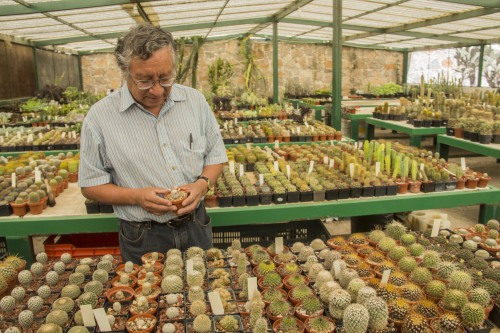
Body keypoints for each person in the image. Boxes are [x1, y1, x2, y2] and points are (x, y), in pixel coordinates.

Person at [78, 23, 228, 265]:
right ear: (125, 72)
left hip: (196, 225)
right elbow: (90, 184)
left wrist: (201, 185)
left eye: (165, 78)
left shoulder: (195, 102)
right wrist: (136, 197)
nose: (158, 90)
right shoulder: (100, 117)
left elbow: (215, 156)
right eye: (145, 81)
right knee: (146, 301)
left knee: (203, 292)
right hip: (143, 235)